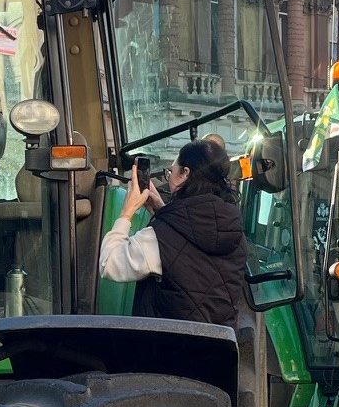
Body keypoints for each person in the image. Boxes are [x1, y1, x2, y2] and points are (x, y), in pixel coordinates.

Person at [99, 138, 250, 326]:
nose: (169, 176)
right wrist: (164, 212)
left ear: (186, 173)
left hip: (169, 350)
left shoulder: (159, 238)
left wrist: (127, 211)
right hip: (215, 349)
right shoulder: (236, 233)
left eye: (171, 171)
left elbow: (109, 264)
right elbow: (193, 253)